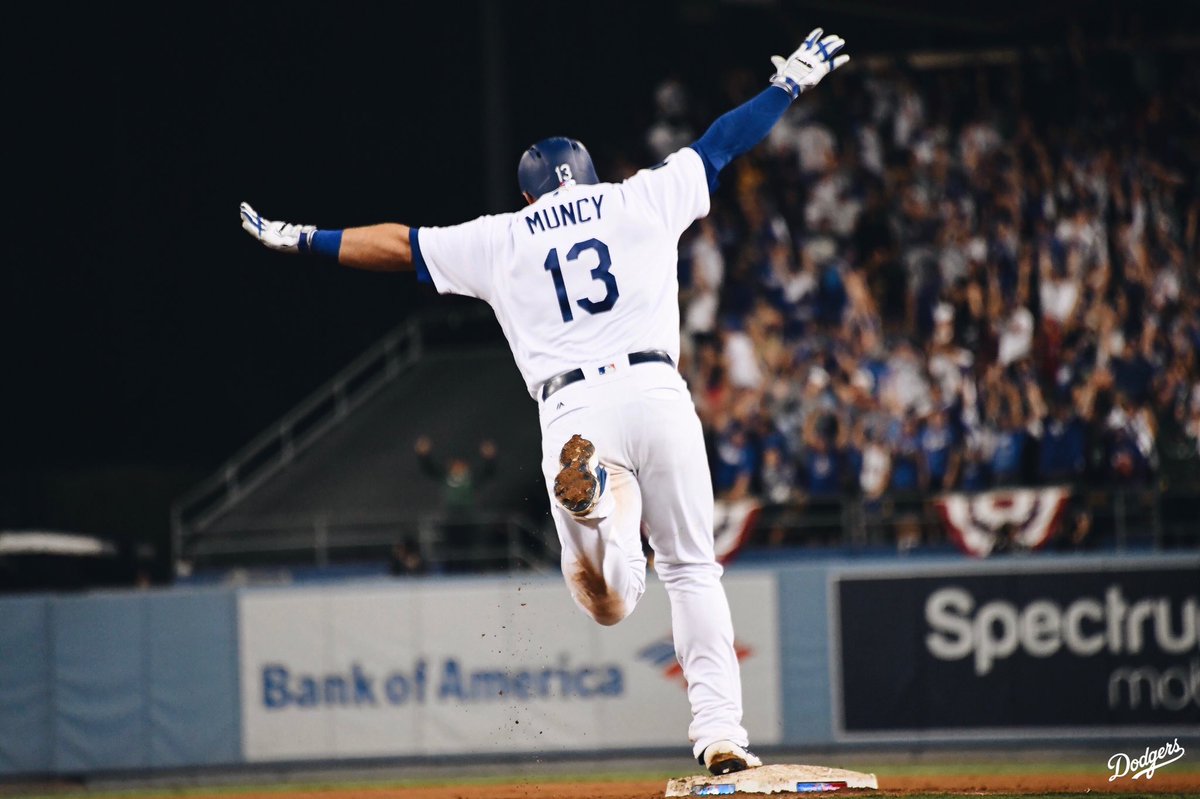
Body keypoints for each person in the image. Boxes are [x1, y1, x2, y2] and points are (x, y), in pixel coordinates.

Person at [239, 29, 849, 775]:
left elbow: (401, 244)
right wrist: (788, 85)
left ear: (529, 193)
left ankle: (595, 512)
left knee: (607, 599)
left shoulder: (504, 237)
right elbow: (723, 141)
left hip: (573, 409)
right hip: (658, 391)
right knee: (691, 568)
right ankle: (720, 732)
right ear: (590, 174)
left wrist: (304, 238)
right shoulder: (641, 198)